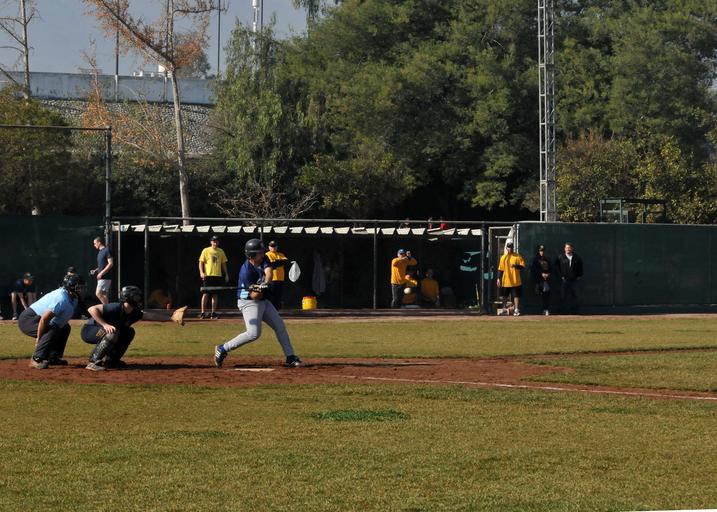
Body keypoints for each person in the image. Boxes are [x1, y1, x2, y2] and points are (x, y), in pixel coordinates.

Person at [213, 238, 302, 369]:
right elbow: (254, 296)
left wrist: (265, 283)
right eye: (259, 252)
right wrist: (260, 290)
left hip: (263, 300)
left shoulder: (263, 258)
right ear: (252, 255)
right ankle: (223, 348)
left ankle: (290, 357)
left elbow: (269, 272)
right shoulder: (246, 272)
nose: (262, 254)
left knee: (279, 326)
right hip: (248, 302)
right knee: (253, 333)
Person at [81, 285, 184, 371]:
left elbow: (150, 315)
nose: (139, 299)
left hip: (106, 332)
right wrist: (105, 324)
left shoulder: (134, 312)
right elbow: (92, 309)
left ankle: (111, 361)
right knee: (113, 333)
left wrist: (171, 318)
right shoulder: (116, 307)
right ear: (128, 298)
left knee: (129, 332)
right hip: (90, 330)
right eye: (136, 297)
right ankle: (93, 362)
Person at [17, 274, 84, 369]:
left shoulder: (73, 298)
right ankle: (36, 359)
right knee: (52, 330)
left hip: (39, 318)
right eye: (79, 287)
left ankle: (53, 357)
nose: (81, 289)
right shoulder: (61, 299)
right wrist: (39, 338)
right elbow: (44, 319)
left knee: (65, 327)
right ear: (71, 287)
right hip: (28, 319)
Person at [198, 235, 229, 319]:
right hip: (208, 275)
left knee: (215, 294)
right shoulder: (206, 250)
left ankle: (213, 313)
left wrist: (226, 274)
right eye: (213, 241)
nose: (215, 242)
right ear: (211, 242)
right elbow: (201, 262)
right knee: (205, 294)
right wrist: (201, 272)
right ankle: (203, 313)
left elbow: (223, 264)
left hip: (217, 275)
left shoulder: (221, 251)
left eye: (216, 241)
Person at [497, 241, 525, 316]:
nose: (510, 248)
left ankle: (516, 310)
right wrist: (498, 278)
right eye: (509, 247)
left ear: (513, 248)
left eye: (511, 247)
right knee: (504, 296)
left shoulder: (517, 256)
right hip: (506, 281)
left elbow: (522, 266)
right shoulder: (503, 257)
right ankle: (504, 310)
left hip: (515, 280)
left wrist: (515, 265)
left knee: (516, 296)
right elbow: (500, 269)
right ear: (506, 248)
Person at [556, 242, 584, 314]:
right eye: (566, 248)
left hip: (574, 280)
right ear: (564, 249)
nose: (568, 249)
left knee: (575, 295)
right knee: (563, 295)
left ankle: (574, 312)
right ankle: (562, 311)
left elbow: (580, 267)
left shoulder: (577, 258)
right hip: (564, 280)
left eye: (569, 248)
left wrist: (579, 276)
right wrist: (561, 276)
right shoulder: (560, 257)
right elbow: (557, 268)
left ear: (572, 248)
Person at [265, 240, 289, 310]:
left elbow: (285, 261)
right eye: (272, 246)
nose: (273, 247)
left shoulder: (281, 254)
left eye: (274, 246)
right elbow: (272, 264)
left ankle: (277, 310)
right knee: (272, 295)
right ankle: (270, 309)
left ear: (277, 247)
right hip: (272, 278)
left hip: (280, 278)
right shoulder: (267, 254)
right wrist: (278, 262)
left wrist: (276, 262)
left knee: (279, 295)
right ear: (269, 247)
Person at [90, 237, 114, 305]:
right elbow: (103, 265)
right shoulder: (100, 252)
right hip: (102, 277)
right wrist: (95, 270)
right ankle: (108, 309)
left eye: (95, 243)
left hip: (105, 276)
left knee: (98, 293)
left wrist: (101, 273)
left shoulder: (107, 250)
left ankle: (108, 308)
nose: (94, 245)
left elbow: (111, 263)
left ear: (99, 242)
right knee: (104, 294)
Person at [530, 245, 552, 316]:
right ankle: (536, 310)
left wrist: (548, 274)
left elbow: (551, 269)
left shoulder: (547, 259)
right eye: (540, 251)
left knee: (546, 293)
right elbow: (533, 270)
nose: (542, 252)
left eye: (543, 251)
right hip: (537, 280)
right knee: (537, 295)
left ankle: (545, 309)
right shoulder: (535, 259)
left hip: (545, 280)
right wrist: (541, 274)